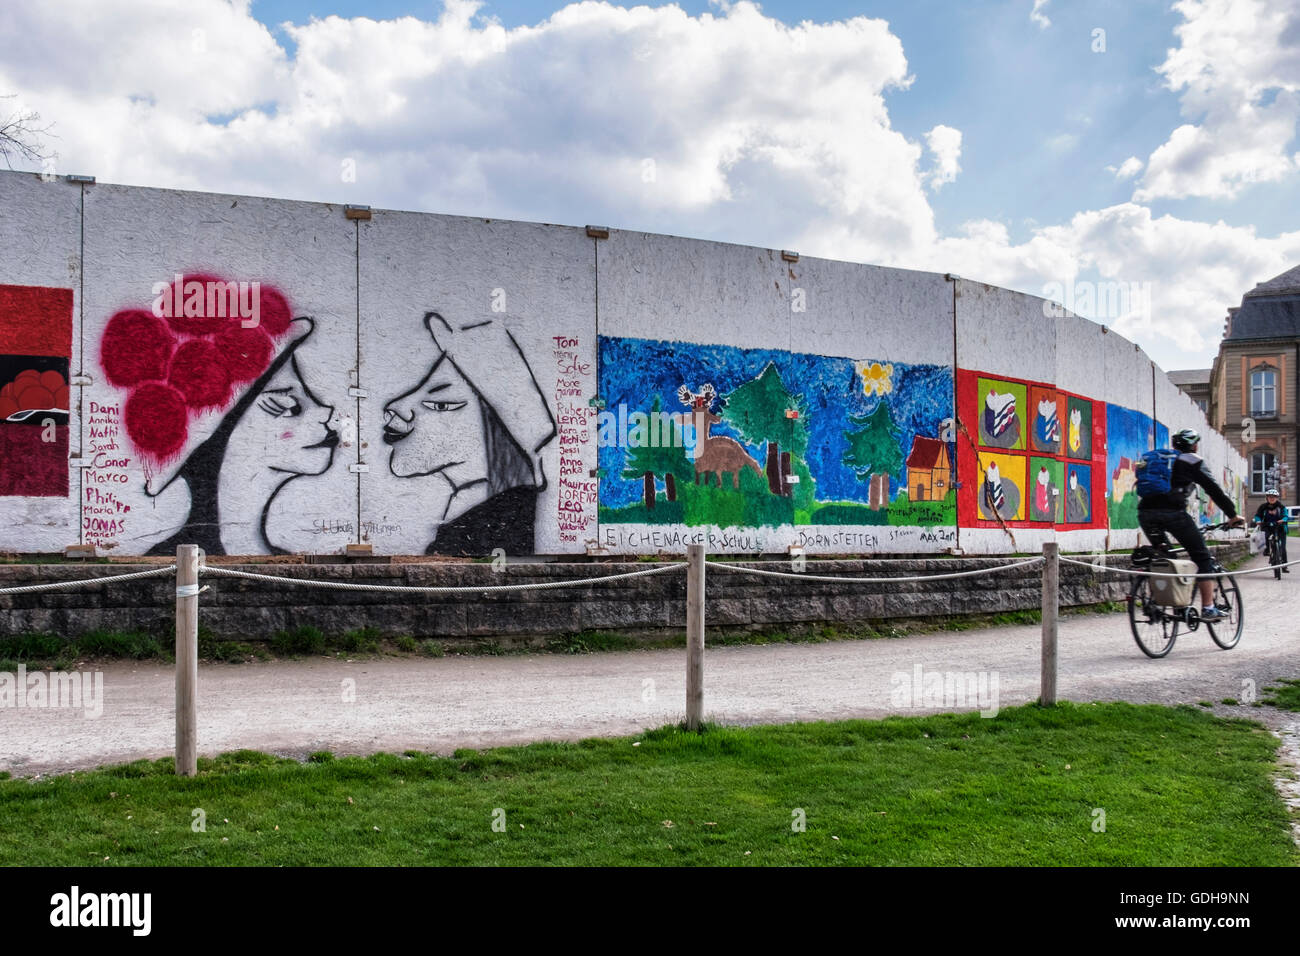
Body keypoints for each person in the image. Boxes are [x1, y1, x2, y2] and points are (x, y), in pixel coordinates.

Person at [1137, 428, 1247, 619]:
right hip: (1173, 514)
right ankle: (1208, 607)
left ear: (1175, 444)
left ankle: (1157, 602)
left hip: (1146, 513)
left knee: (1165, 557)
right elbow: (1214, 490)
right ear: (1194, 444)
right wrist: (1232, 515)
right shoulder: (1192, 461)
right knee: (1202, 558)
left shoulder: (1159, 459)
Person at [1252, 488, 1290, 573]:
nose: (1272, 498)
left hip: (1279, 527)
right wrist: (1258, 520)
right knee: (1265, 536)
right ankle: (1266, 550)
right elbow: (1258, 516)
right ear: (1267, 498)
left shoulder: (1281, 506)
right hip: (1267, 526)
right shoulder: (1263, 507)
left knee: (1282, 548)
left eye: (1274, 497)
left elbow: (1286, 515)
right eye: (1270, 497)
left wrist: (1283, 520)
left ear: (1277, 498)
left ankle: (1284, 566)